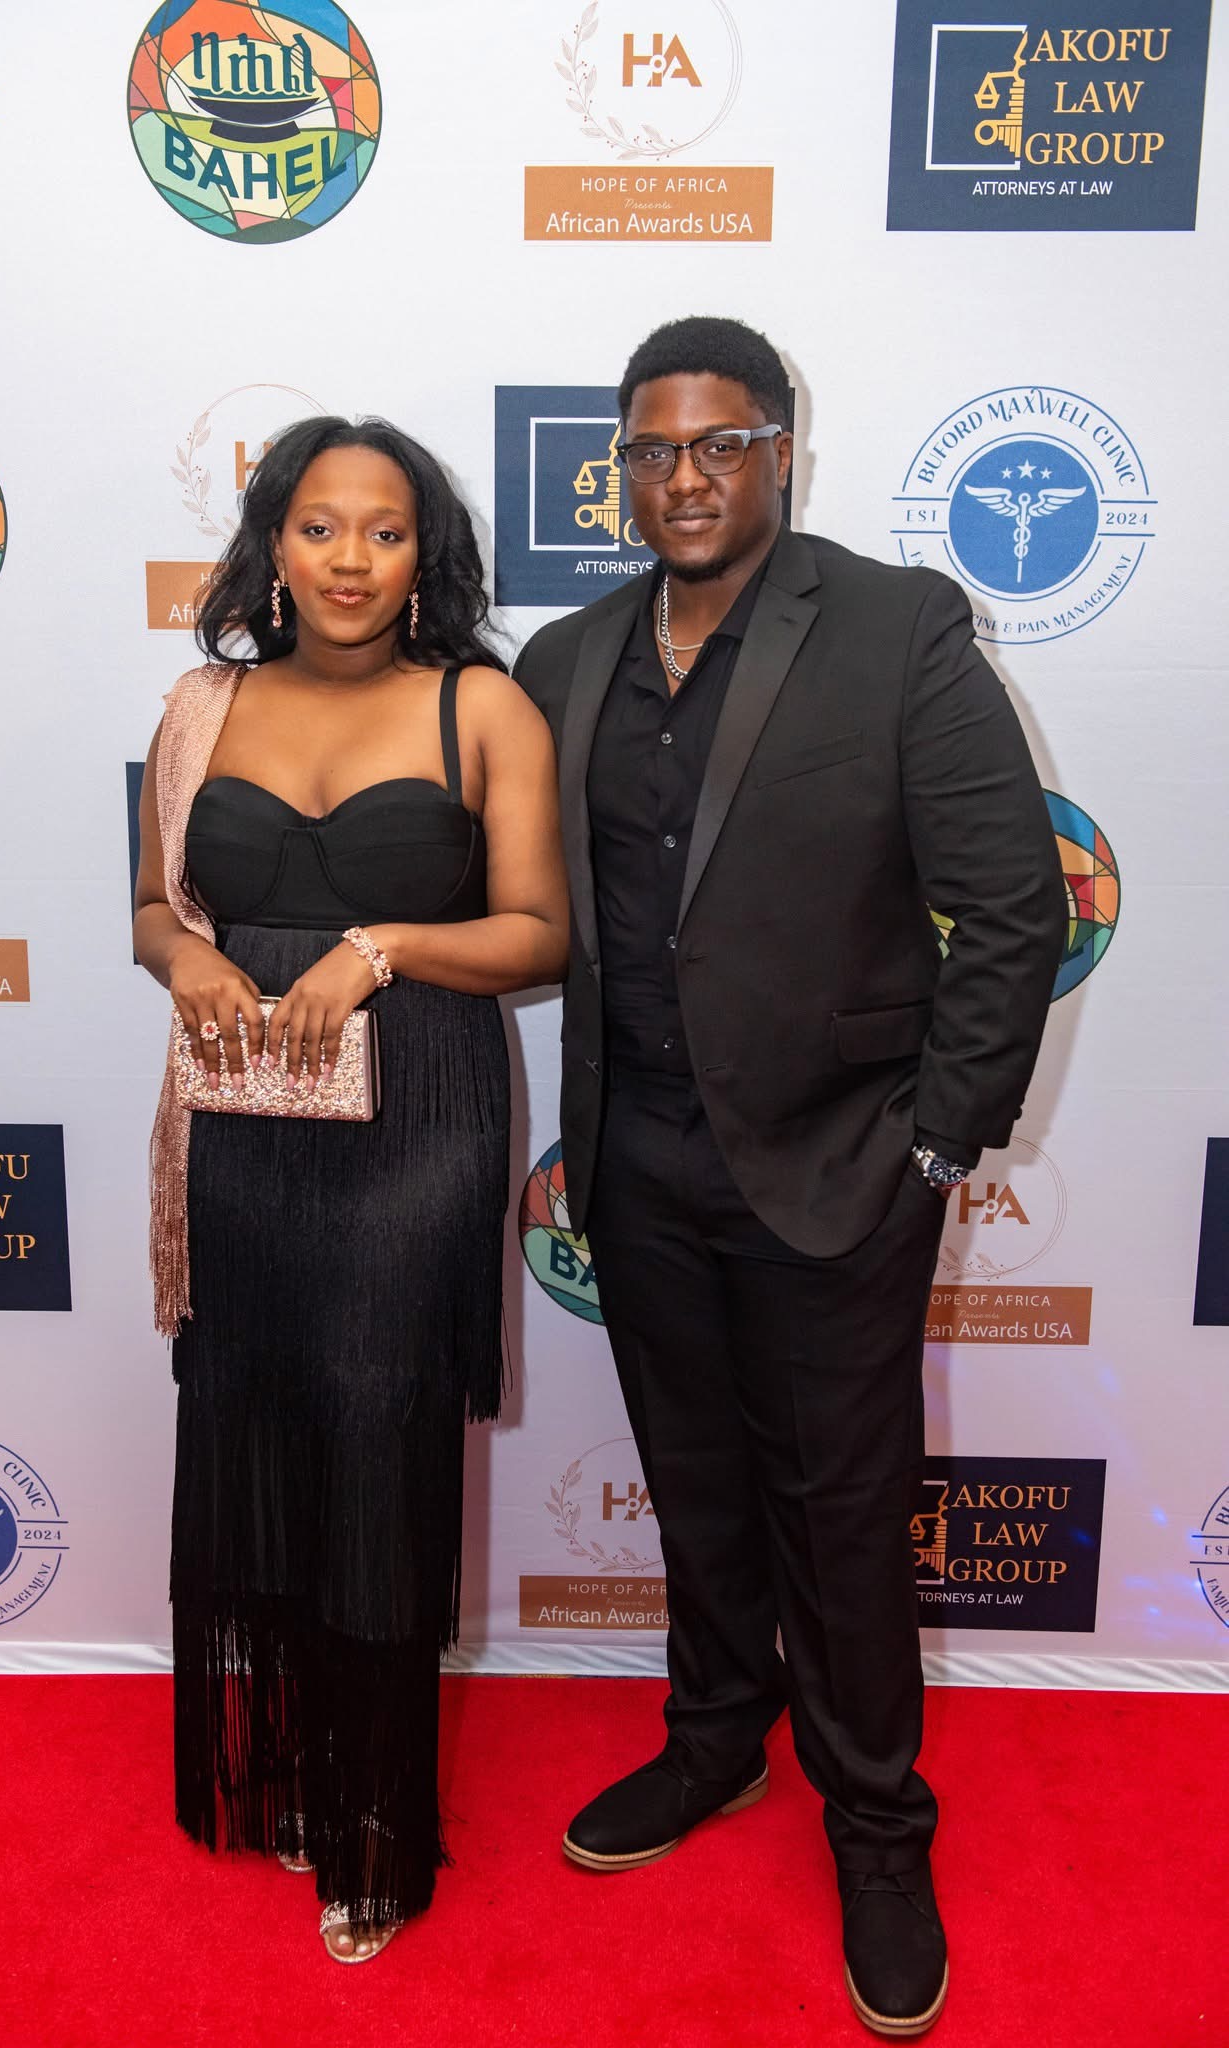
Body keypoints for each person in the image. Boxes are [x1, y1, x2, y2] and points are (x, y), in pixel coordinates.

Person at [514, 317, 1066, 2037]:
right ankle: (712, 1742)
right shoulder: (568, 657)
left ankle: (880, 1830)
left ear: (781, 451)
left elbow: (1014, 908)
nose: (683, 478)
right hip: (635, 1164)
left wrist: (935, 1144)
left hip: (840, 1165)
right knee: (695, 1483)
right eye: (651, 450)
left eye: (719, 445)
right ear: (620, 467)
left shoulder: (895, 627)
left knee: (840, 1514)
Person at [134, 415, 569, 1961]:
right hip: (245, 1123)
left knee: (378, 1444)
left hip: (418, 1127)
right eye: (320, 527)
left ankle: (374, 1825)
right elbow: (153, 908)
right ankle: (296, 1773)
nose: (350, 560)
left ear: (423, 556)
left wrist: (379, 949)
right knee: (258, 1434)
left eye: (385, 532)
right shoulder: (202, 705)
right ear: (273, 543)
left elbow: (539, 933)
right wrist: (183, 958)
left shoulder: (480, 705)